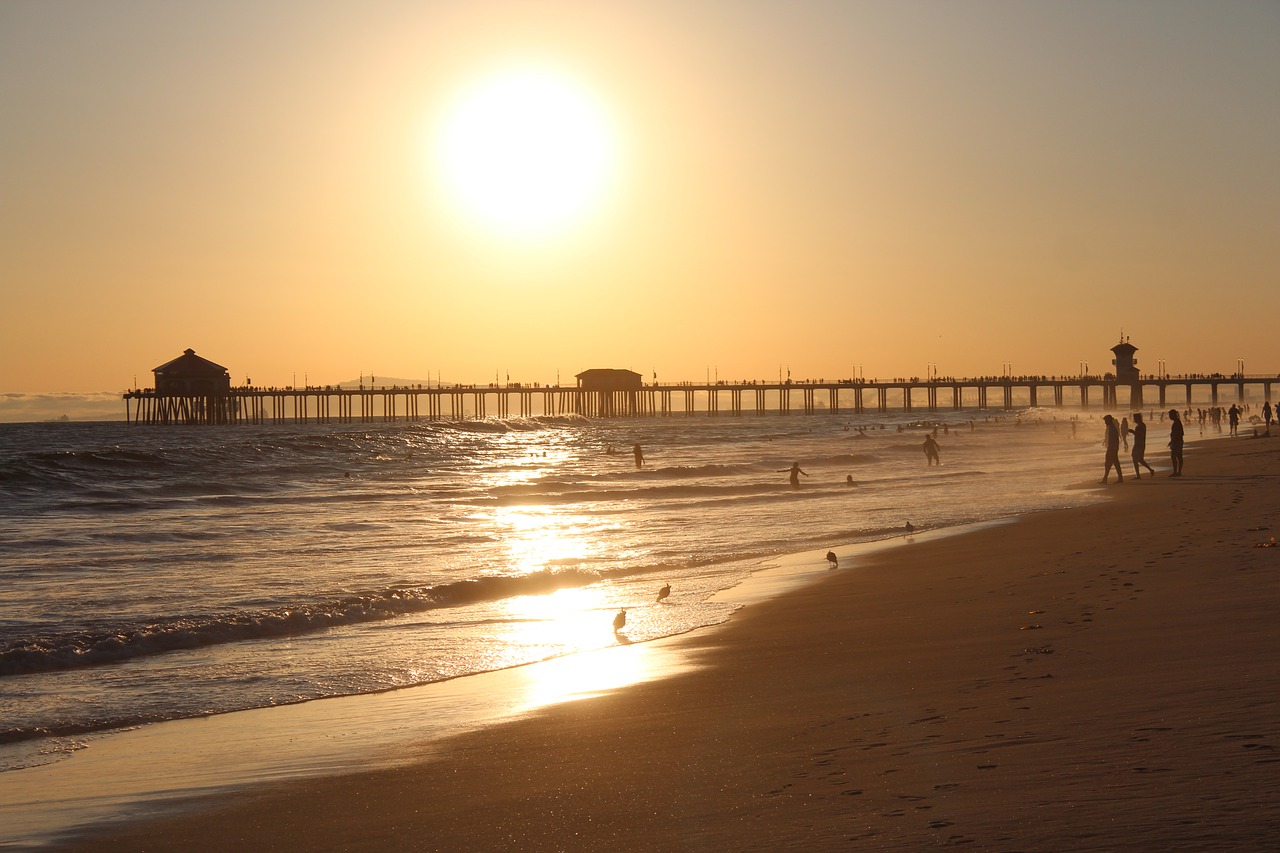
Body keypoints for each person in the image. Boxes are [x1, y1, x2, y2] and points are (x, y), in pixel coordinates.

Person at [1130, 412, 1156, 479]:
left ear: (1138, 418)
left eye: (1135, 418)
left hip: (1139, 444)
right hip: (1140, 444)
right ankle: (1149, 470)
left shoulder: (1140, 426)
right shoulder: (1141, 425)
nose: (1134, 419)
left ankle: (1138, 475)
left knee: (1135, 458)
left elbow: (1140, 435)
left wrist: (1133, 432)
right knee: (1139, 459)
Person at [1100, 414, 1123, 484]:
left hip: (1112, 448)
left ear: (1109, 420)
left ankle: (1105, 479)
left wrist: (1111, 449)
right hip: (1113, 448)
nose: (1105, 422)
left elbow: (1114, 439)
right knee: (1114, 463)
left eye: (1105, 421)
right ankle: (1118, 478)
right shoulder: (1111, 427)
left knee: (1108, 463)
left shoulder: (1112, 428)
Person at [1168, 409, 1184, 476]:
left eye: (1170, 415)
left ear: (1173, 415)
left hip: (1177, 442)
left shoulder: (1177, 422)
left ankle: (1176, 472)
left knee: (1175, 456)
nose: (1169, 417)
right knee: (1178, 456)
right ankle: (1178, 472)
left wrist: (1174, 440)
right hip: (1177, 441)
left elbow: (1181, 433)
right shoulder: (1177, 422)